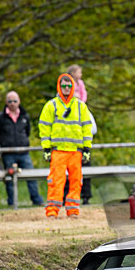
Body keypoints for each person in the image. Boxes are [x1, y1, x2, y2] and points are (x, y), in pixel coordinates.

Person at [39, 73, 93, 218]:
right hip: (58, 151)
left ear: (73, 87)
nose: (66, 88)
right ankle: (52, 212)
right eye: (63, 86)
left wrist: (87, 148)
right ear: (59, 86)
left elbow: (87, 128)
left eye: (69, 86)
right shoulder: (51, 105)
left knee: (76, 182)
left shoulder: (81, 106)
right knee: (56, 182)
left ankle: (73, 211)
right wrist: (46, 148)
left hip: (76, 151)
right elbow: (44, 128)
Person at [0, 91, 44, 207]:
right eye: (10, 101)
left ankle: (37, 199)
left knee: (31, 176)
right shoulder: (0, 118)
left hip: (23, 152)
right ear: (6, 102)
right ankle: (12, 202)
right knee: (10, 178)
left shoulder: (25, 116)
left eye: (15, 101)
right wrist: (5, 145)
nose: (12, 104)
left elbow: (27, 131)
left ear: (19, 101)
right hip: (8, 153)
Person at [66, 64, 94, 203]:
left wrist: (80, 104)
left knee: (83, 170)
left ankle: (85, 196)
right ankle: (68, 197)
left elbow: (83, 95)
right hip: (68, 147)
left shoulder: (81, 84)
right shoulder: (67, 86)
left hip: (81, 146)